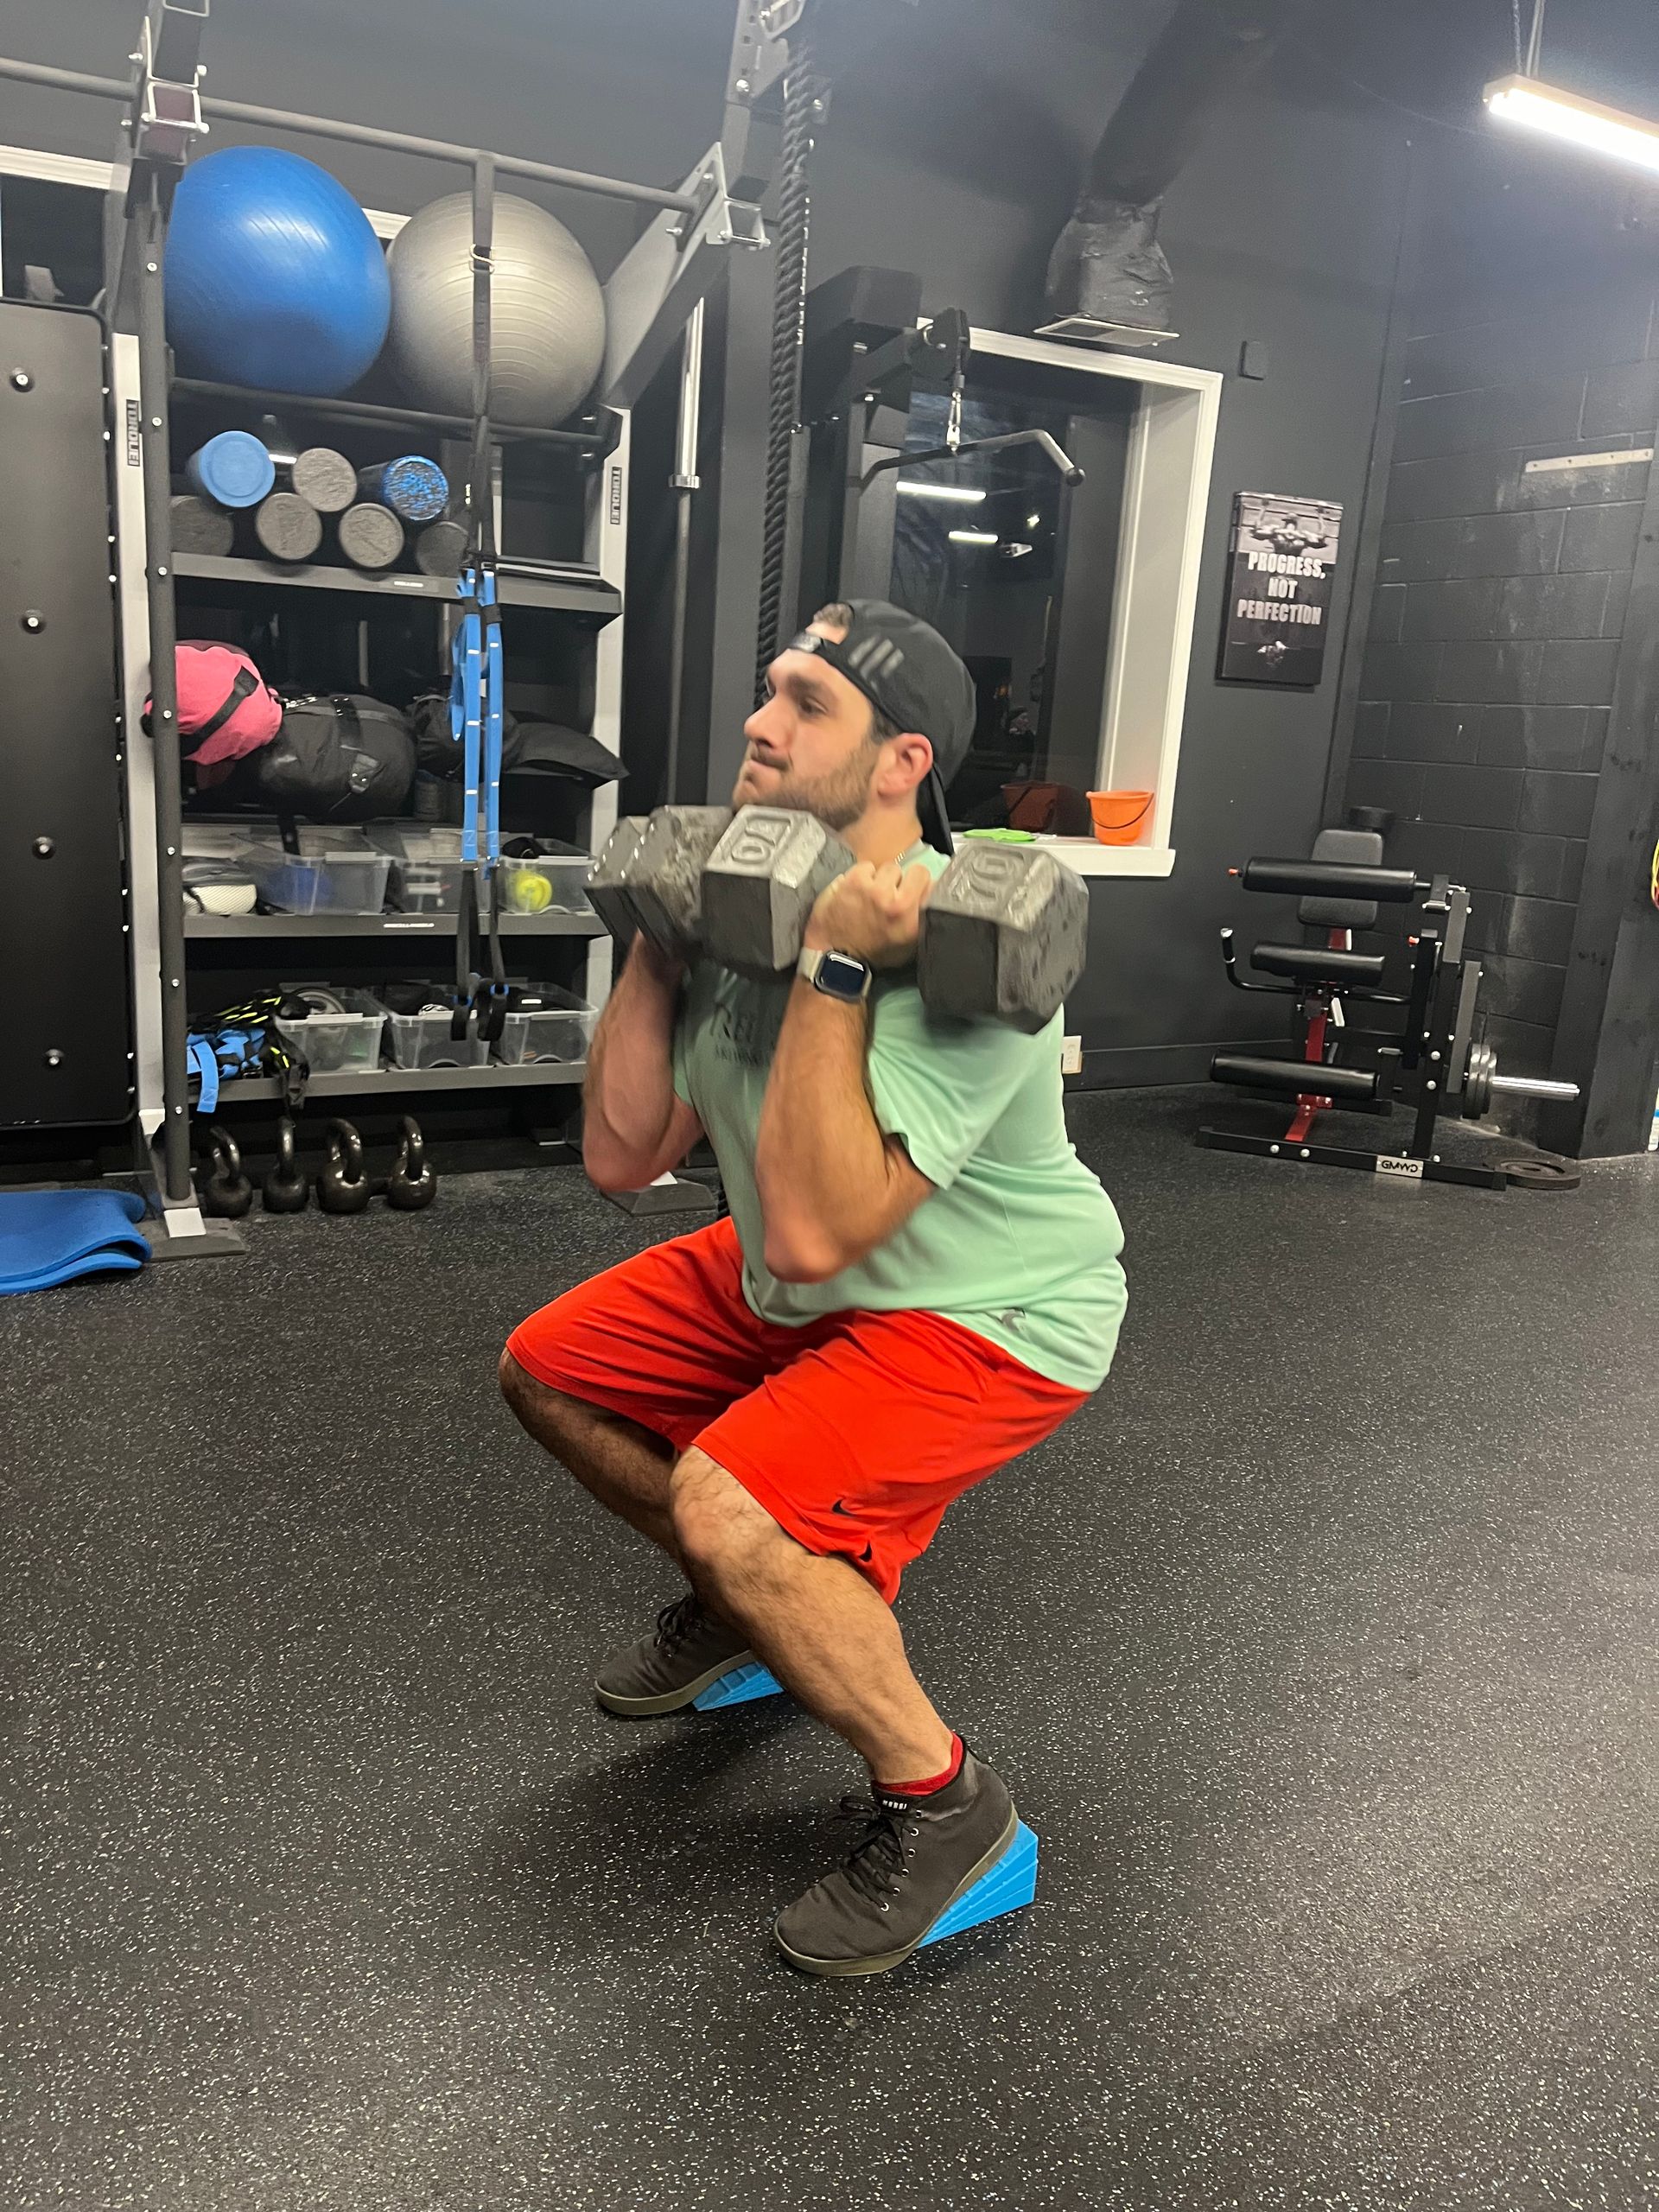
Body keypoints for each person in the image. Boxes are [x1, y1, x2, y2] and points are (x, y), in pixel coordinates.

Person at [500, 600, 1126, 1976]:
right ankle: (751, 1618)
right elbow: (625, 1154)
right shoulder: (747, 897)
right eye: (764, 691)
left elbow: (812, 1235)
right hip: (808, 1266)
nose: (759, 724)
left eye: (805, 702)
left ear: (902, 761)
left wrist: (840, 962)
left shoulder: (970, 960)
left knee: (731, 1507)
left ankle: (951, 1809)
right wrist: (659, 941)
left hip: (988, 1310)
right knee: (549, 1367)